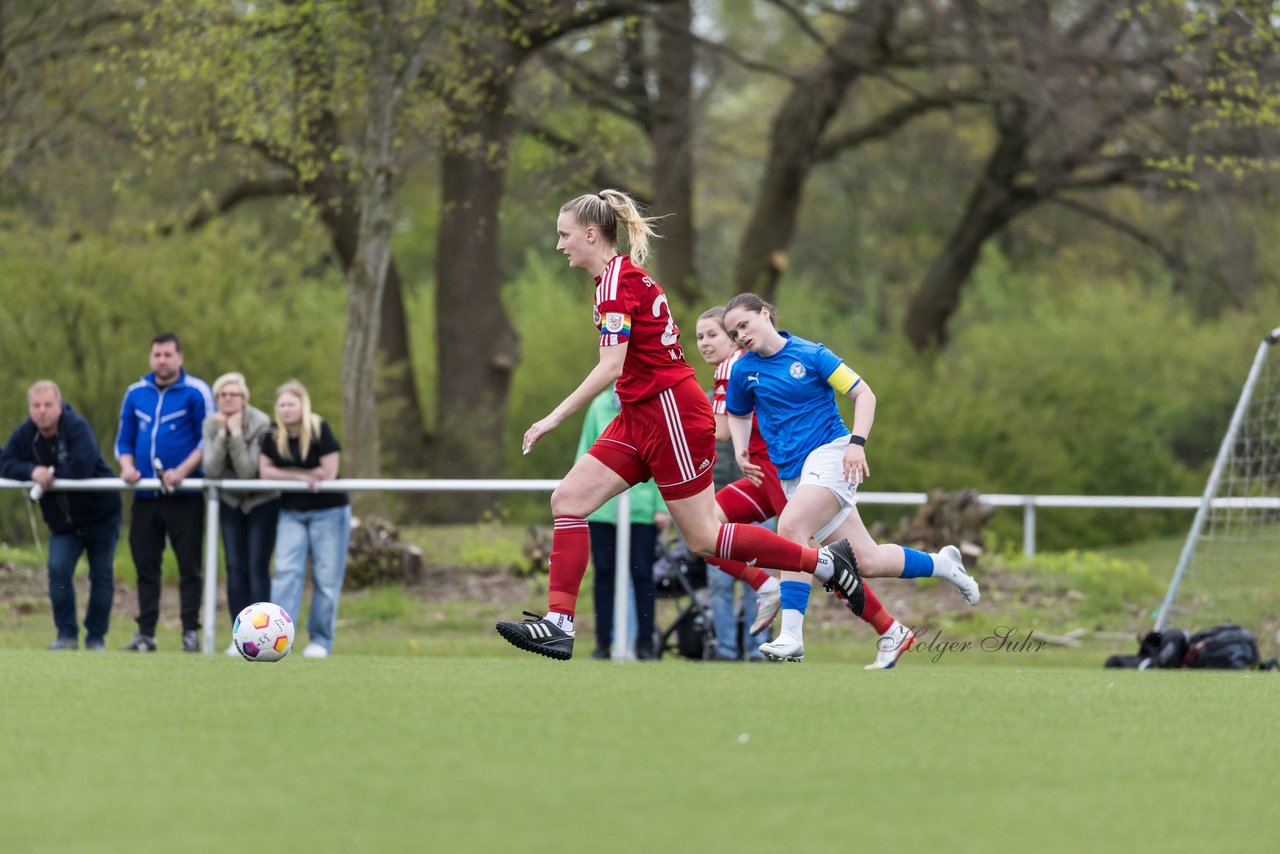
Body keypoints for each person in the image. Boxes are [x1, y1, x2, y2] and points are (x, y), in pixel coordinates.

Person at [496, 189, 863, 661]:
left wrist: (553, 417)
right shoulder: (614, 279)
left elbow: (611, 366)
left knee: (704, 537)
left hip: (669, 412)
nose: (560, 245)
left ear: (591, 234)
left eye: (564, 235)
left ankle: (826, 563)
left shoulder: (615, 282)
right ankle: (560, 624)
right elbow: (625, 370)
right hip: (639, 414)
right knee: (567, 499)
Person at [722, 293, 980, 663]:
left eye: (744, 325)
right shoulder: (744, 370)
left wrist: (857, 443)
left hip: (832, 456)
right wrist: (742, 449)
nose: (740, 336)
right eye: (733, 333)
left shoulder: (812, 354)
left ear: (765, 314)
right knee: (868, 561)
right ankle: (944, 564)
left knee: (791, 526)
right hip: (793, 474)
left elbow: (864, 394)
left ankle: (791, 637)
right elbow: (738, 413)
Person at [697, 306, 916, 669]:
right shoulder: (740, 369)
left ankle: (886, 626)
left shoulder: (739, 365)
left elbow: (719, 429)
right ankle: (766, 587)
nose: (706, 343)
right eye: (701, 337)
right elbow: (733, 424)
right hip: (762, 476)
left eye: (714, 335)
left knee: (816, 555)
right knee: (703, 530)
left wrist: (678, 416)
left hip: (786, 473)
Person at [0, 381, 123, 651]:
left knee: (101, 575)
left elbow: (83, 465)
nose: (42, 411)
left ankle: (95, 638)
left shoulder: (76, 427)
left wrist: (51, 475)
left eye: (47, 405)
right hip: (63, 524)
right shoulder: (25, 434)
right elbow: (5, 462)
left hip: (101, 515)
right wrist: (33, 471)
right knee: (57, 570)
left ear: (59, 405)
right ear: (30, 408)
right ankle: (66, 635)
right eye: (36, 406)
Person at [116, 333, 212, 652]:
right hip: (145, 498)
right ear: (150, 357)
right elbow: (124, 440)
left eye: (168, 354)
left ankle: (190, 632)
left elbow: (205, 440)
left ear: (179, 357)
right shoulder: (135, 393)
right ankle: (146, 634)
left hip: (184, 497)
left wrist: (182, 471)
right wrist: (127, 467)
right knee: (145, 566)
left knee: (189, 568)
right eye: (157, 354)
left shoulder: (196, 392)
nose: (162, 360)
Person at [259, 380, 350, 659]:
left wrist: (290, 472)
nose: (286, 410)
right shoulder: (271, 435)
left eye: (291, 404)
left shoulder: (319, 429)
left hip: (329, 511)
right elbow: (266, 472)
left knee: (326, 576)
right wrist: (301, 477)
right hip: (291, 512)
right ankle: (278, 639)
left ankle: (320, 640)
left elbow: (329, 471)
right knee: (286, 574)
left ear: (302, 405)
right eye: (282, 405)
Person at [577, 385, 669, 660]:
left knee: (642, 576)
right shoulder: (599, 406)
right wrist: (580, 499)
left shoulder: (652, 406)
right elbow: (586, 452)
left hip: (641, 511)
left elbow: (662, 458)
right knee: (604, 576)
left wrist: (661, 506)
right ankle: (603, 644)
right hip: (603, 509)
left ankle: (644, 644)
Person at [202, 372, 280, 656]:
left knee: (257, 567)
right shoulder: (211, 424)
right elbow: (211, 470)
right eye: (222, 395)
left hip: (261, 502)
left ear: (244, 397)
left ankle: (264, 636)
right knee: (235, 568)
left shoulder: (261, 422)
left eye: (233, 394)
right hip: (230, 503)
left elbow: (248, 471)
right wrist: (223, 433)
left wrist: (235, 434)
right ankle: (241, 637)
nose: (227, 399)